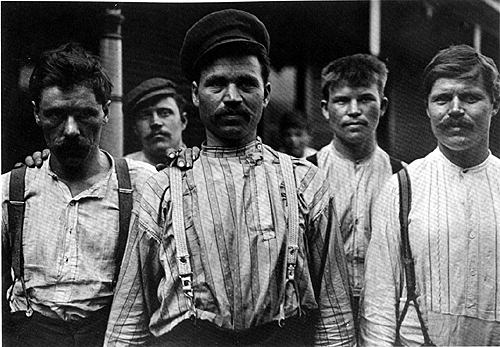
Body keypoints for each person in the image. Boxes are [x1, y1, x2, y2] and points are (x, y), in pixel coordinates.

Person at [105, 9, 355, 347]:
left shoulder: (305, 182)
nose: (233, 97)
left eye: (246, 84)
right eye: (217, 84)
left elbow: (335, 314)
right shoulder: (162, 188)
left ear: (266, 93)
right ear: (195, 94)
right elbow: (129, 319)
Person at [1, 42, 156, 347]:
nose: (71, 129)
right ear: (37, 114)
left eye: (84, 115)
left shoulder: (142, 185)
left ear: (105, 112)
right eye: (56, 115)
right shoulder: (10, 189)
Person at [360, 44, 500, 346]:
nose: (455, 110)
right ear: (427, 108)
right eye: (442, 99)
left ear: (495, 104)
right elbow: (378, 304)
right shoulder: (402, 187)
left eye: (471, 97)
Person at [307, 54, 403, 329]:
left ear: (382, 106)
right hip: (322, 314)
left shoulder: (403, 177)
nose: (354, 110)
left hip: (385, 313)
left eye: (365, 99)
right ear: (325, 109)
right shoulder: (304, 174)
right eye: (342, 100)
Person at [124, 78, 188, 166]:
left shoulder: (202, 166)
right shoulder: (125, 169)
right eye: (145, 115)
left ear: (183, 121)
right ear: (135, 128)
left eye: (165, 113)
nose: (155, 122)